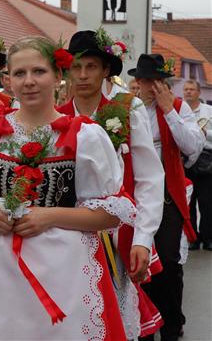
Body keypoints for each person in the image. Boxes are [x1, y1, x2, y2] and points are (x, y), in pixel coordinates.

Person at [0, 36, 133, 340]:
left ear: (58, 77)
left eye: (39, 71)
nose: (29, 81)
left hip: (62, 270)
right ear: (8, 80)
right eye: (20, 73)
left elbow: (110, 214)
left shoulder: (86, 136)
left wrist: (49, 216)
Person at [58, 29, 164, 338]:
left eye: (91, 67)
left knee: (113, 317)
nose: (82, 75)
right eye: (76, 67)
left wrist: (143, 238)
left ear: (106, 70)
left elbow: (149, 178)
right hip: (65, 236)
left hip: (115, 236)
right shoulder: (57, 117)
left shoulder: (127, 110)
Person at [129, 54, 204, 341]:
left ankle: (172, 325)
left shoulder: (177, 107)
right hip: (134, 193)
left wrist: (168, 111)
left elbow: (192, 148)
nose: (150, 86)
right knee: (140, 262)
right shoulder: (127, 108)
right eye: (146, 80)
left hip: (168, 194)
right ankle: (145, 325)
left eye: (156, 81)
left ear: (163, 83)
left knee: (169, 263)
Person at [182, 79, 212, 251]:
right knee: (189, 201)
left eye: (192, 89)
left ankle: (208, 238)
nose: (188, 92)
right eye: (186, 89)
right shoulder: (180, 111)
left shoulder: (209, 111)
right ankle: (193, 237)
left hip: (206, 159)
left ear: (199, 92)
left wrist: (205, 133)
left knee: (207, 202)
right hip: (187, 159)